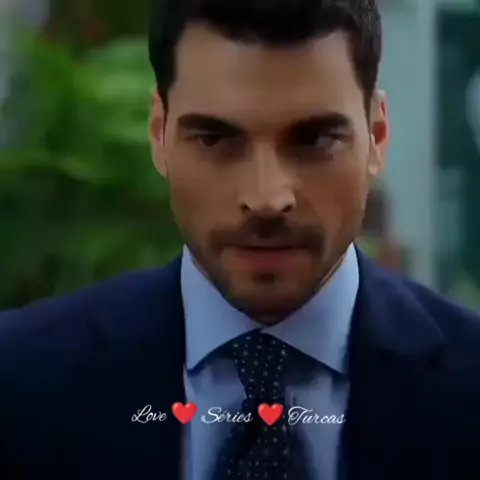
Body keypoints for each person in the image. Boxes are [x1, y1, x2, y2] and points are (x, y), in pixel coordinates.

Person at [1, 0, 480, 479]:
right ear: (159, 134)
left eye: (314, 140)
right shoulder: (21, 379)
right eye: (215, 139)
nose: (266, 198)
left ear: (377, 136)